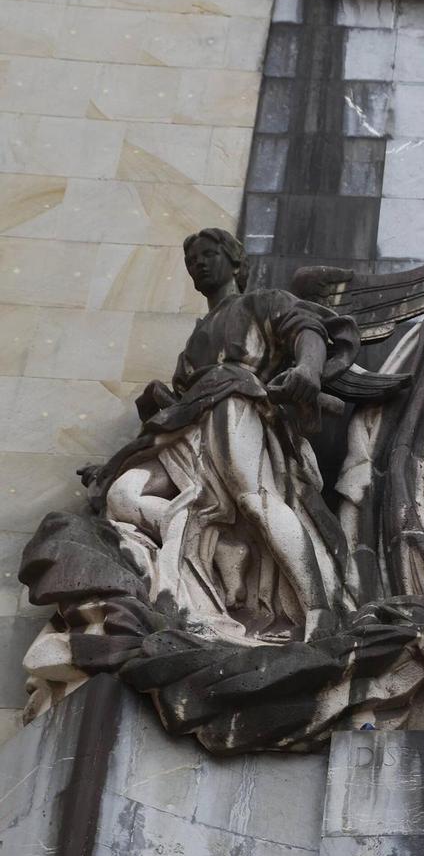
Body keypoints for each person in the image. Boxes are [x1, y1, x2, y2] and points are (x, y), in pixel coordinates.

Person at [87, 227, 359, 643]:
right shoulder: (195, 339)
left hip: (237, 402)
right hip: (186, 426)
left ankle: (320, 610)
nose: (197, 263)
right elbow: (176, 400)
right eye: (191, 259)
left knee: (255, 499)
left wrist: (307, 368)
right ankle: (214, 553)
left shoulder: (261, 302)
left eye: (207, 254)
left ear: (236, 262)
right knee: (121, 494)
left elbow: (309, 330)